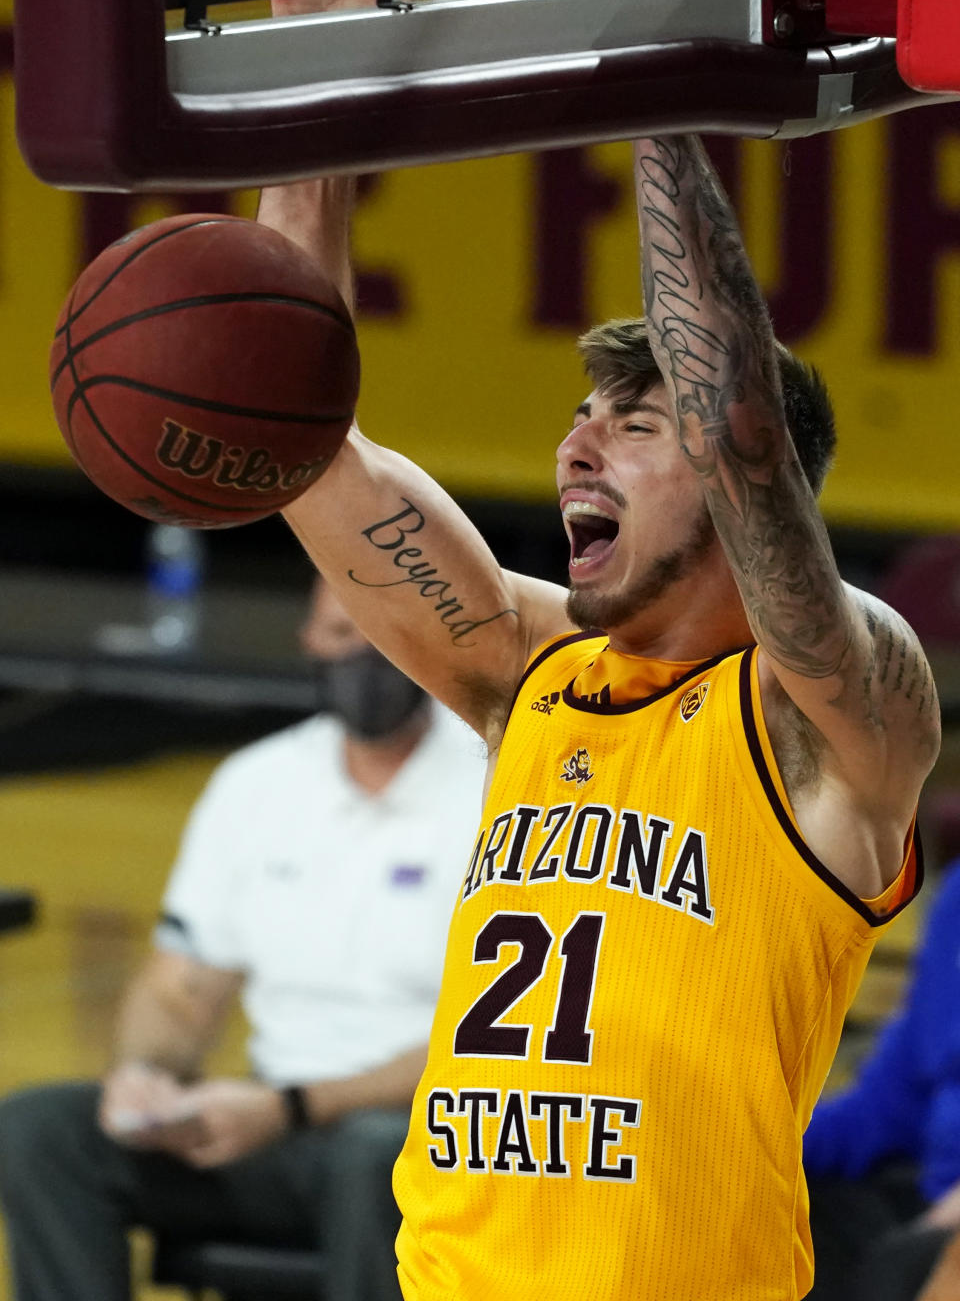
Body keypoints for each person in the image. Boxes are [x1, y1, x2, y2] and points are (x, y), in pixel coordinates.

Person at [262, 132, 939, 1301]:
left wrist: (661, 111)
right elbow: (304, 440)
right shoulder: (530, 673)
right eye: (582, 419)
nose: (578, 447)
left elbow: (746, 439)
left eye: (634, 426)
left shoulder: (828, 714)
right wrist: (317, 113)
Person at [0, 578, 487, 1301]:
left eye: (385, 637)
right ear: (308, 643)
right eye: (341, 635)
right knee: (41, 1130)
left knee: (373, 1155)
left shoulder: (496, 784)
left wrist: (291, 1107)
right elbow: (180, 988)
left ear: (429, 647)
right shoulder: (257, 783)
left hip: (425, 1140)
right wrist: (145, 1080)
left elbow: (487, 1038)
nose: (364, 657)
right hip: (268, 1131)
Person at [804, 857, 960, 1301]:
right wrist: (762, 1141)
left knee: (897, 1271)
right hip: (922, 1195)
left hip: (945, 1223)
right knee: (769, 1214)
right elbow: (889, 1104)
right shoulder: (955, 898)